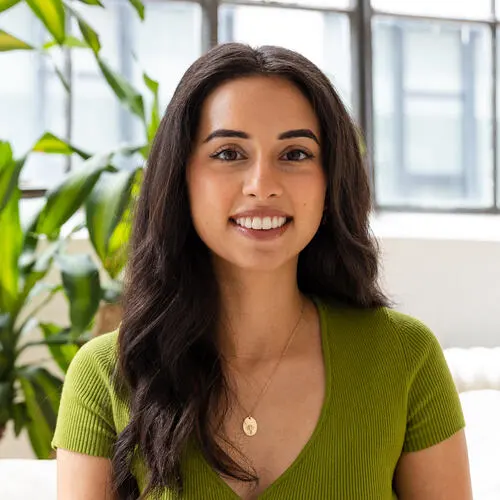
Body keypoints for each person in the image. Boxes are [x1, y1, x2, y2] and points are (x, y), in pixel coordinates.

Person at [52, 43, 472, 500]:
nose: (262, 186)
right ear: (182, 177)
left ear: (330, 180)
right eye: (229, 153)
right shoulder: (104, 376)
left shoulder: (404, 358)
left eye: (294, 154)